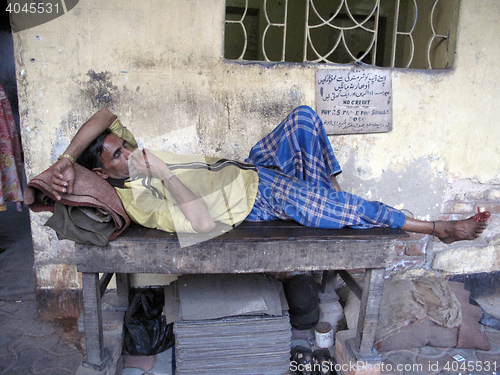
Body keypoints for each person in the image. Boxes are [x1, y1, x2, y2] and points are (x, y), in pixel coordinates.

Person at [49, 106, 488, 244]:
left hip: (246, 166)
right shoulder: (139, 198)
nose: (126, 152)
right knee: (318, 201)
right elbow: (202, 225)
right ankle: (436, 227)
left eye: (122, 145)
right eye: (116, 155)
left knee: (301, 119)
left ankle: (333, 202)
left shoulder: (117, 151)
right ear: (102, 174)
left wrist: (66, 158)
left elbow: (104, 113)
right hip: (253, 199)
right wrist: (164, 175)